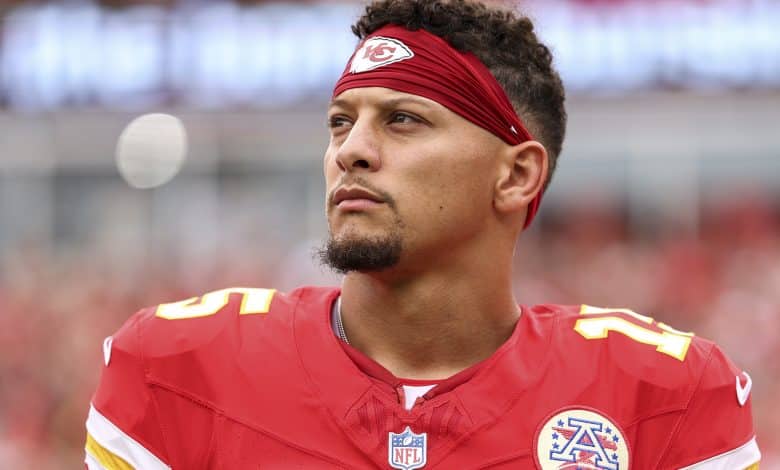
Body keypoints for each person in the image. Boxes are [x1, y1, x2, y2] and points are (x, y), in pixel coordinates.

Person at [84, 0, 760, 468]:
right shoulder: (180, 366)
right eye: (340, 122)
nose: (351, 150)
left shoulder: (659, 394)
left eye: (403, 120)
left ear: (517, 175)